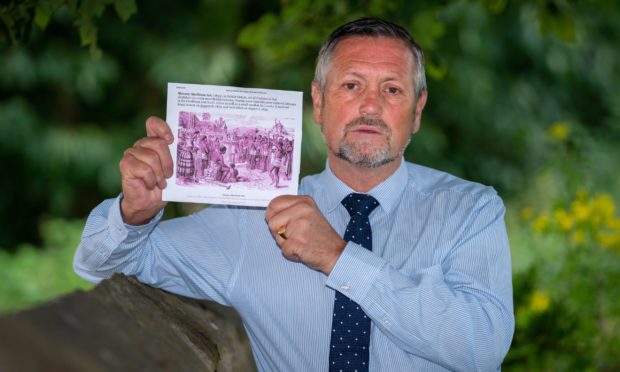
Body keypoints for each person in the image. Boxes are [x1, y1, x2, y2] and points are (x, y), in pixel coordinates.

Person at [74, 17, 514, 371]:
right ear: (319, 104)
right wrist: (135, 214)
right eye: (351, 85)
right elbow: (99, 263)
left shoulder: (470, 209)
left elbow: (482, 347)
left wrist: (339, 258)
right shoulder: (251, 217)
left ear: (416, 112)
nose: (371, 106)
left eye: (392, 89)